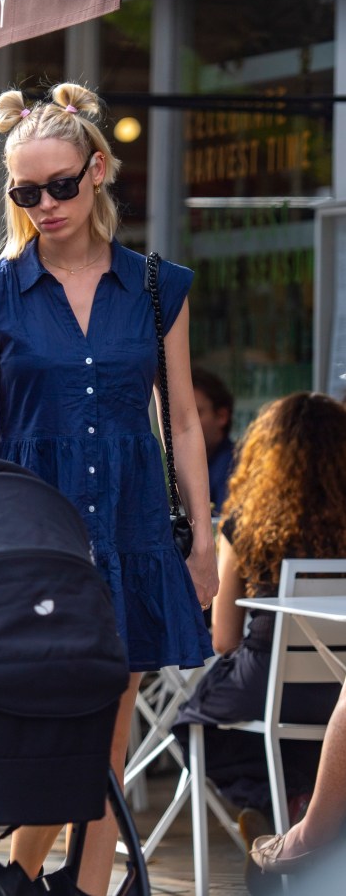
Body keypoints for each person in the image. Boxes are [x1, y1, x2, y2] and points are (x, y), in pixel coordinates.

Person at [0, 82, 218, 896]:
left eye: (60, 185)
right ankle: (10, 876)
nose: (45, 204)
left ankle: (80, 886)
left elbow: (179, 420)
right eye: (25, 191)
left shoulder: (154, 286)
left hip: (132, 529)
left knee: (108, 733)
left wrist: (204, 541)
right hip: (32, 537)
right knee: (51, 730)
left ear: (98, 170)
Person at [172, 392, 346, 886]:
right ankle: (304, 804)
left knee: (196, 723)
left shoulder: (247, 526)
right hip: (339, 694)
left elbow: (225, 638)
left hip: (267, 684)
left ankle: (271, 805)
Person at [250, 678, 346, 880]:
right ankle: (300, 807)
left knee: (196, 721)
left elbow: (224, 646)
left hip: (274, 689)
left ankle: (306, 828)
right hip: (325, 691)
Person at [191, 366, 235, 515]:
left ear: (222, 417)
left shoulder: (234, 467)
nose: (185, 424)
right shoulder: (181, 467)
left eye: (196, 413)